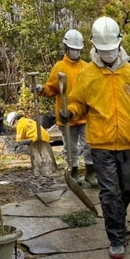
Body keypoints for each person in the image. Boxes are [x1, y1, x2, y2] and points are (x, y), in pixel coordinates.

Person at [61, 16, 130, 259]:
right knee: (110, 192)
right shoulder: (88, 74)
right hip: (101, 144)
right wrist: (70, 112)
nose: (108, 54)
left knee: (127, 188)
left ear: (119, 44)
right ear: (94, 46)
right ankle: (116, 237)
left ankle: (116, 216)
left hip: (127, 143)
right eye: (103, 50)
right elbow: (77, 103)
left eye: (111, 49)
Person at [35, 29, 97, 186]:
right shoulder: (59, 67)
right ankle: (73, 174)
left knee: (89, 145)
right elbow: (51, 88)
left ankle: (91, 174)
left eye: (77, 49)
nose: (75, 52)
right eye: (72, 49)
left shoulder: (87, 67)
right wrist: (42, 89)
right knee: (71, 149)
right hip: (65, 117)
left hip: (84, 116)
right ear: (66, 48)